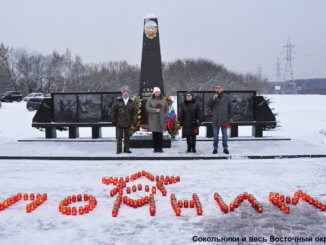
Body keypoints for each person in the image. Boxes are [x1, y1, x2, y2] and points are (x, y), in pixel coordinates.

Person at [208, 84, 233, 154]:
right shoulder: (213, 97)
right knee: (215, 135)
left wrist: (231, 117)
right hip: (215, 119)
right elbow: (209, 105)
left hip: (224, 119)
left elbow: (230, 107)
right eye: (216, 88)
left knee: (225, 135)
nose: (217, 89)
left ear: (222, 89)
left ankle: (225, 148)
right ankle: (215, 148)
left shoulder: (227, 97)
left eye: (219, 88)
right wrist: (213, 99)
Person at [111, 85, 136, 154]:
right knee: (119, 137)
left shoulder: (132, 102)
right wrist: (114, 120)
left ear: (129, 93)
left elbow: (134, 113)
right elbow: (113, 111)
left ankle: (126, 149)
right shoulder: (118, 101)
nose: (125, 93)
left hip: (128, 122)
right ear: (122, 93)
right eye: (124, 92)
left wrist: (134, 121)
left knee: (127, 137)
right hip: (119, 122)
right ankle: (118, 150)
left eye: (127, 92)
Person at [146, 87, 168, 153]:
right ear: (154, 92)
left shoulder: (163, 99)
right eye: (156, 92)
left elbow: (167, 108)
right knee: (155, 134)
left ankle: (160, 148)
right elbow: (147, 108)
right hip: (153, 119)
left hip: (161, 119)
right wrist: (155, 110)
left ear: (160, 92)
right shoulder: (150, 99)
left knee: (160, 135)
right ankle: (155, 148)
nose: (157, 93)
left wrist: (165, 115)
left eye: (158, 92)